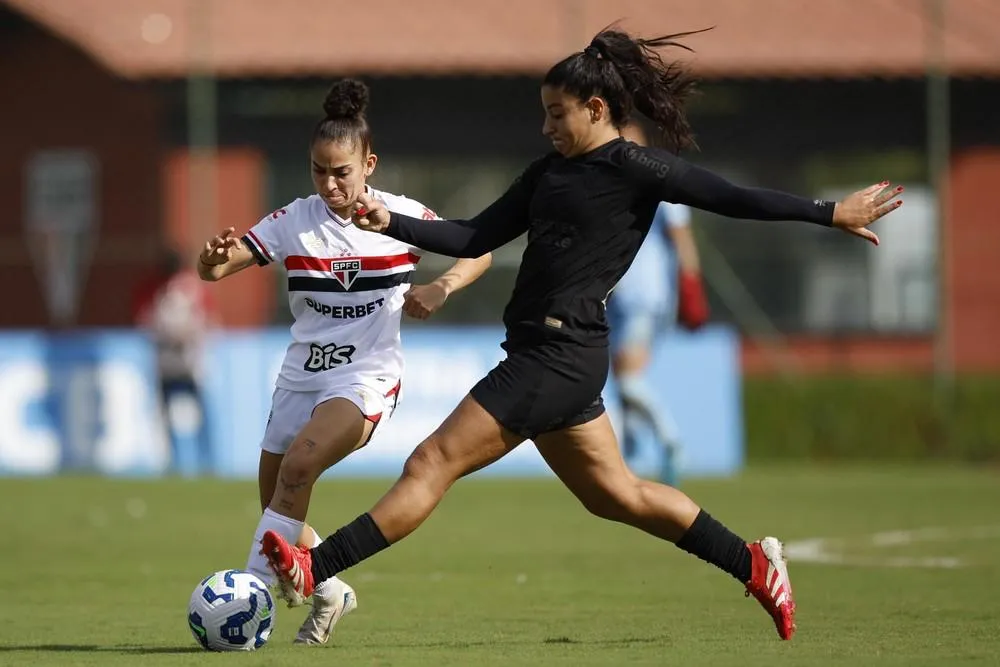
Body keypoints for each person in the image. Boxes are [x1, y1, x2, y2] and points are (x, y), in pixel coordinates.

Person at [260, 29, 904, 641]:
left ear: (595, 108)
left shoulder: (637, 167)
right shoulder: (547, 172)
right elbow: (472, 237)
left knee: (431, 463)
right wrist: (391, 220)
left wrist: (827, 212)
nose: (545, 127)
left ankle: (314, 569)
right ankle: (755, 564)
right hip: (555, 355)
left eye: (556, 113)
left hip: (558, 356)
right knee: (617, 496)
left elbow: (731, 196)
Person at [196, 78, 492, 646]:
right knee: (276, 517)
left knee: (300, 466)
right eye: (318, 171)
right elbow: (217, 269)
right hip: (298, 379)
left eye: (341, 173)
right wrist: (210, 262)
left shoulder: (401, 217)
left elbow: (477, 248)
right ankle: (330, 592)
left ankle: (249, 605)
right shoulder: (293, 221)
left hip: (365, 380)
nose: (329, 184)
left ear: (368, 165)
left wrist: (443, 287)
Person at [607, 121, 707, 484]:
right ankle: (630, 461)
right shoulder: (614, 185)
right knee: (622, 383)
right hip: (619, 298)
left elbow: (682, 237)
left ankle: (671, 442)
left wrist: (691, 288)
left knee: (629, 380)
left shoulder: (659, 182)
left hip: (645, 296)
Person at [132, 246, 216, 476]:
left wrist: (189, 335)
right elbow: (143, 320)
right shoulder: (154, 288)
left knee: (201, 412)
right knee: (166, 412)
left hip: (190, 360)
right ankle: (174, 461)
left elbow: (208, 320)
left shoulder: (191, 286)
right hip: (166, 359)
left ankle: (207, 460)